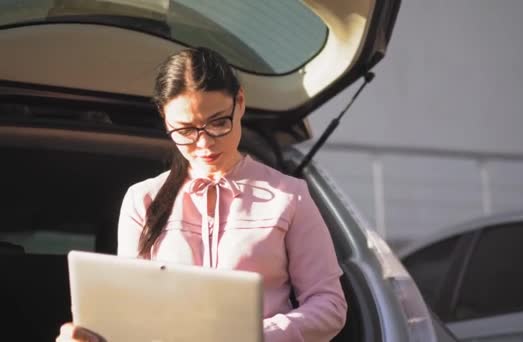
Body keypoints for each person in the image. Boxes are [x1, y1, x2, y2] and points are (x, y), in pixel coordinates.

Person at [56, 47, 347, 342]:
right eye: (185, 130)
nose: (205, 144)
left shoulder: (289, 196)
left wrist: (254, 336)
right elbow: (128, 314)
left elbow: (330, 305)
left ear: (240, 102)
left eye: (219, 122)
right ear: (163, 117)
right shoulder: (142, 199)